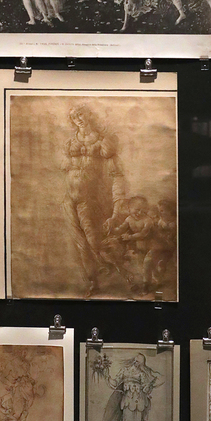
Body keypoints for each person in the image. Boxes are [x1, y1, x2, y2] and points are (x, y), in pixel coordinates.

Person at [62, 104, 126, 297]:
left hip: (89, 199)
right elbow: (64, 167)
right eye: (74, 117)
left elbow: (116, 174)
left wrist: (117, 208)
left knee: (93, 241)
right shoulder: (71, 142)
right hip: (69, 198)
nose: (78, 119)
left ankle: (119, 269)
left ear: (90, 115)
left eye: (81, 114)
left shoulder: (102, 142)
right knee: (81, 244)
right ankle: (93, 283)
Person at [102, 352, 161, 421]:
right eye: (138, 361)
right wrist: (107, 375)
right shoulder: (124, 371)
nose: (138, 364)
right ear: (134, 361)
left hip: (140, 402)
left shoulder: (142, 374)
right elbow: (115, 383)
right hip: (128, 401)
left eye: (140, 363)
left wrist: (149, 386)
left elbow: (145, 388)